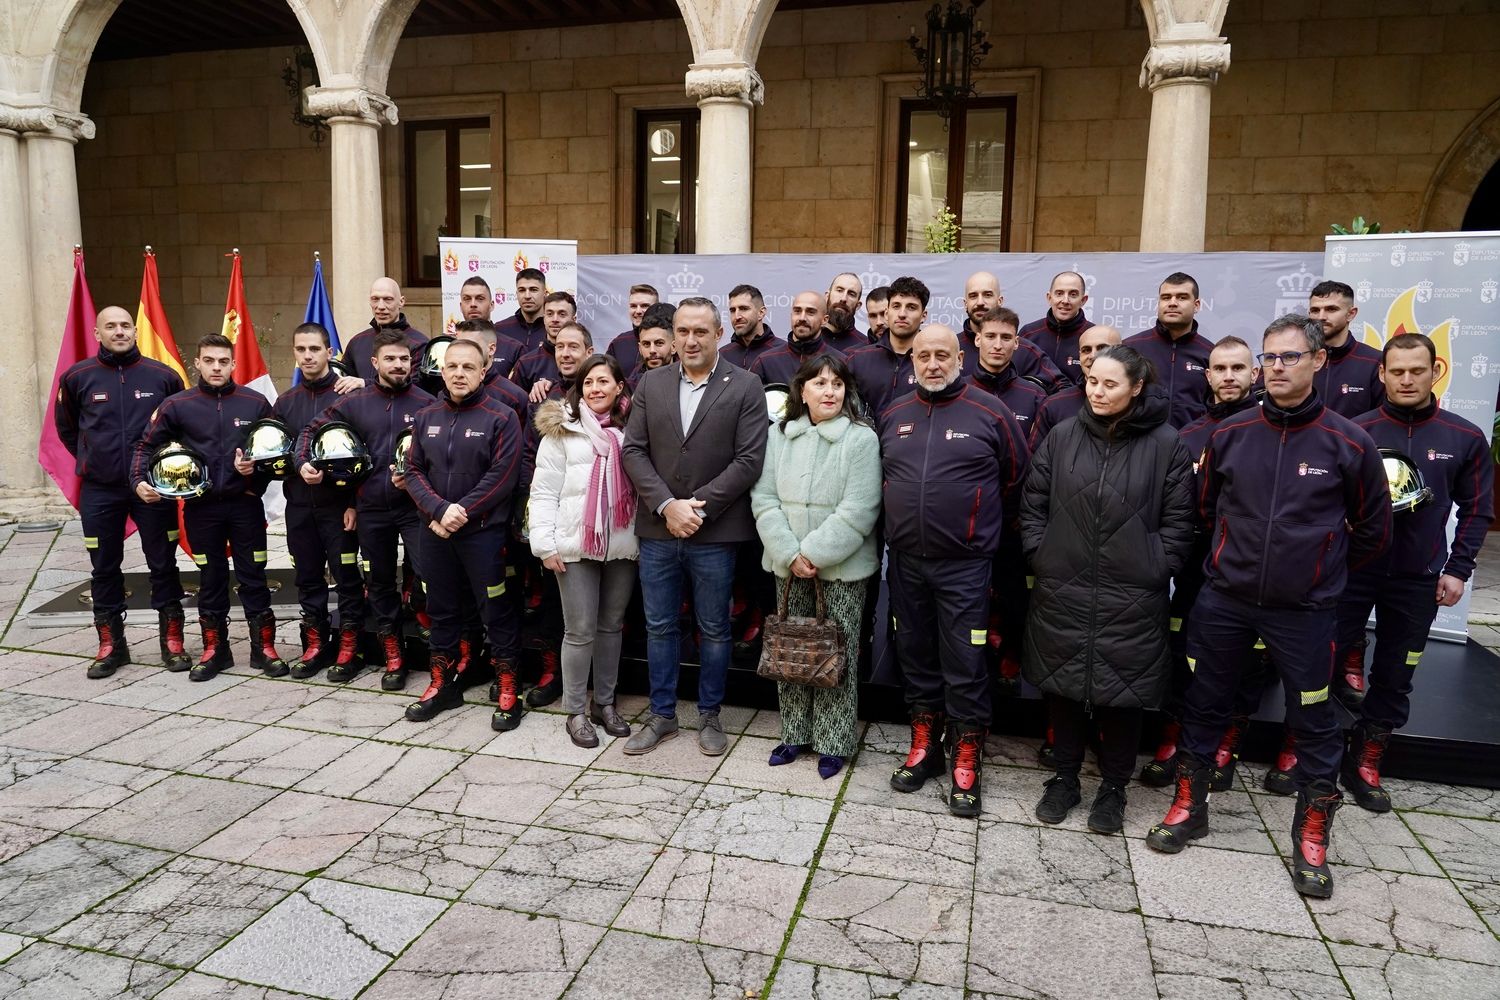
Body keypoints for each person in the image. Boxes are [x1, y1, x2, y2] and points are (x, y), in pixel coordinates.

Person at [1147, 315, 1390, 901]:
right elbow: (1206, 513)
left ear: (1317, 361)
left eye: (1290, 357)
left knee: (1315, 721)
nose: (1278, 367)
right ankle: (1189, 806)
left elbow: (1372, 531)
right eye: (1270, 357)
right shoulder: (1230, 435)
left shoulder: (1349, 443)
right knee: (1203, 705)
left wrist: (1315, 569)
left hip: (1304, 611)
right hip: (1224, 602)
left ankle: (1311, 836)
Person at [1023, 345, 1196, 834]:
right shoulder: (1061, 436)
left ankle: (1114, 788)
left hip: (1132, 592)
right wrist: (1043, 554)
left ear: (1136, 386)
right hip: (1063, 585)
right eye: (1092, 382)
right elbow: (1033, 503)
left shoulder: (1167, 444)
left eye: (1110, 384)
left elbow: (1181, 522)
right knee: (1064, 687)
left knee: (1122, 695)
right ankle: (1064, 778)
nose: (1097, 392)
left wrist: (1155, 565)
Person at [1337, 332, 1491, 810]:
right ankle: (1313, 750)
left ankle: (1366, 756)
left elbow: (1477, 509)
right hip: (1352, 571)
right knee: (1322, 659)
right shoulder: (1355, 430)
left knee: (1397, 671)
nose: (1406, 379)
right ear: (1381, 374)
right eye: (1397, 371)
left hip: (1417, 576)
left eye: (1416, 371)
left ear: (1435, 371)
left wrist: (1457, 568)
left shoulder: (1464, 437)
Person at [881, 325, 1028, 817]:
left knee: (965, 662)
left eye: (942, 355)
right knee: (915, 655)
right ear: (913, 361)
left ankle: (967, 757)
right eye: (924, 356)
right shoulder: (895, 413)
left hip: (966, 566)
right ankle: (926, 747)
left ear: (960, 358)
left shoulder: (991, 411)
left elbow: (1016, 478)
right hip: (905, 562)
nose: (933, 364)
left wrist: (974, 528)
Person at [620, 297, 769, 756]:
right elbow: (633, 451)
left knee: (715, 628)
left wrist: (696, 509)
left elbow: (749, 460)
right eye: (682, 331)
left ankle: (709, 716)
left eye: (700, 331)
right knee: (660, 626)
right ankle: (662, 715)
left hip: (714, 532)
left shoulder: (745, 385)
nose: (690, 340)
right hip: (659, 528)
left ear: (719, 334)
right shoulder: (651, 382)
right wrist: (667, 505)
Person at [1141, 336, 1264, 790]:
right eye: (1220, 368)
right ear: (1207, 375)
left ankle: (1226, 743)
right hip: (1194, 568)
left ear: (1255, 375)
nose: (1228, 376)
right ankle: (1175, 737)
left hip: (1248, 571)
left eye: (1238, 368)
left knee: (1245, 663)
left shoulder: (1270, 432)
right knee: (1181, 653)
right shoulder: (1187, 436)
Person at [751, 355, 881, 779]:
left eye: (837, 384)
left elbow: (860, 508)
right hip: (787, 565)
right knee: (791, 649)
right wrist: (790, 553)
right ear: (801, 391)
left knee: (833, 655)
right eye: (820, 383)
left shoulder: (860, 439)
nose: (830, 391)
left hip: (838, 568)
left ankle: (833, 741)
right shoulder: (779, 436)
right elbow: (764, 498)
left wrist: (815, 554)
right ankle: (793, 734)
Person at [132, 334, 282, 682]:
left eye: (223, 361)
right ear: (196, 363)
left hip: (244, 506)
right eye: (209, 361)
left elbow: (275, 454)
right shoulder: (177, 405)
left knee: (254, 577)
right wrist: (140, 480)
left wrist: (254, 472)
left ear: (233, 365)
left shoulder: (255, 403)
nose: (216, 367)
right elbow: (144, 445)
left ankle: (264, 649)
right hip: (200, 508)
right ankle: (216, 650)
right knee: (210, 579)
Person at [55, 305, 188, 679]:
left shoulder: (163, 377)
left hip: (152, 488)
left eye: (125, 325)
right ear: (97, 333)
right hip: (101, 490)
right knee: (104, 567)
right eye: (110, 326)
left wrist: (157, 473)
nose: (119, 331)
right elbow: (67, 430)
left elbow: (179, 429)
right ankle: (112, 644)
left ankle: (172, 641)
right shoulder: (77, 377)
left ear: (135, 331)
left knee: (162, 562)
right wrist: (94, 459)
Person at [301, 329, 434, 690]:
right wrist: (304, 465)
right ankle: (394, 655)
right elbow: (311, 433)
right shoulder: (353, 403)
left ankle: (437, 648)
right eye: (390, 358)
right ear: (375, 363)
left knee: (429, 575)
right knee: (378, 582)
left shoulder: (426, 404)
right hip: (370, 509)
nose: (398, 365)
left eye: (404, 359)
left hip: (415, 509)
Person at [403, 338, 524, 727]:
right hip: (435, 533)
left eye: (467, 367)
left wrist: (461, 511)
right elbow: (413, 471)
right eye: (452, 366)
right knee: (440, 610)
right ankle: (443, 684)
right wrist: (439, 510)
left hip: (483, 535)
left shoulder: (502, 416)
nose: (458, 374)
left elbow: (502, 477)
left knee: (496, 610)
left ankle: (508, 688)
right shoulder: (426, 416)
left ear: (483, 370)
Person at [529, 354, 640, 748]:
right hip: (573, 546)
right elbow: (542, 492)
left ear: (619, 387)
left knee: (611, 627)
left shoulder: (633, 431)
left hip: (622, 544)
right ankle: (575, 710)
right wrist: (544, 545)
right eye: (589, 382)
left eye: (604, 382)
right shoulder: (563, 431)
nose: (596, 389)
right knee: (578, 631)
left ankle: (604, 704)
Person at [275, 322, 364, 682]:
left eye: (315, 349)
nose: (308, 356)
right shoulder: (285, 402)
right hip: (298, 506)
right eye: (301, 350)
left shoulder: (350, 396)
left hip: (339, 507)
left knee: (346, 577)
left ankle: (350, 646)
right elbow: (275, 454)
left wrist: (355, 503)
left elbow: (366, 453)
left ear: (330, 352)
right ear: (295, 354)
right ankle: (314, 643)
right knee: (307, 576)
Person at [1124, 272, 1213, 429]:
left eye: (1182, 297)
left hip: (1191, 446)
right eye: (1166, 297)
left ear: (1196, 305)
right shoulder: (1131, 347)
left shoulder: (1211, 353)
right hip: (1139, 445)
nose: (1172, 303)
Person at [959, 271, 1064, 387]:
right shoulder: (952, 348)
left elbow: (1062, 388)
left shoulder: (1025, 351)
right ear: (965, 303)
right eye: (973, 296)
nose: (980, 302)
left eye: (987, 295)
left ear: (1000, 301)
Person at [1029, 325, 1123, 448]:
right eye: (1086, 350)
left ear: (1121, 351)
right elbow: (1036, 460)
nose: (1093, 356)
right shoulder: (1054, 405)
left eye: (1102, 348)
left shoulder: (1137, 403)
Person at [846, 275, 923, 417]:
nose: (902, 314)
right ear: (888, 313)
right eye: (896, 306)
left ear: (923, 315)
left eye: (911, 307)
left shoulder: (933, 361)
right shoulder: (857, 360)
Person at [1307, 279, 1385, 418]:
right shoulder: (1295, 359)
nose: (1321, 317)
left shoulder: (1375, 362)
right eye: (1315, 310)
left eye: (1331, 309)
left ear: (1351, 314)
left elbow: (1383, 420)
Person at [968, 307, 1047, 427]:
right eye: (990, 336)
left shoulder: (1035, 396)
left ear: (1016, 343)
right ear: (978, 339)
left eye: (1006, 338)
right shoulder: (960, 390)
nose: (998, 345)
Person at [340, 278, 427, 382]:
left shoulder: (419, 343)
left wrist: (365, 384)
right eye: (375, 299)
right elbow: (342, 382)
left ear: (401, 302)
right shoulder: (357, 341)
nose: (380, 306)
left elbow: (415, 388)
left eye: (388, 299)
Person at [750, 292, 845, 385]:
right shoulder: (765, 362)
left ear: (824, 320)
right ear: (791, 315)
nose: (802, 318)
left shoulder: (841, 362)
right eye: (797, 311)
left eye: (810, 312)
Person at [1021, 271, 1094, 381]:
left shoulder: (1094, 336)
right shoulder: (1028, 333)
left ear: (1083, 300)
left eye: (1073, 294)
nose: (1065, 300)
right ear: (1049, 298)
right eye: (1059, 293)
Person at [511, 291, 577, 394]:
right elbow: (516, 404)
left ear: (574, 320)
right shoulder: (526, 363)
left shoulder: (585, 361)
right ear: (544, 318)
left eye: (562, 314)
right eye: (550, 314)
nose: (555, 319)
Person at [456, 276, 525, 372]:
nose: (473, 304)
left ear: (491, 305)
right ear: (460, 306)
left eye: (480, 298)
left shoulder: (513, 348)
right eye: (467, 299)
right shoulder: (448, 345)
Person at [721, 284, 783, 370]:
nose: (737, 316)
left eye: (743, 309)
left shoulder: (782, 352)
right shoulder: (722, 355)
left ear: (761, 313)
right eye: (732, 310)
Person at [605, 283, 659, 374]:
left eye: (644, 306)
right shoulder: (619, 342)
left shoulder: (670, 342)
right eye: (633, 306)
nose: (638, 311)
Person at [495, 267, 548, 352]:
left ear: (545, 293)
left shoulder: (554, 328)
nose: (527, 296)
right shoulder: (500, 329)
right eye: (522, 290)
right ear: (517, 294)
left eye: (533, 290)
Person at [629, 303, 676, 390]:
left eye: (659, 343)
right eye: (646, 344)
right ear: (639, 348)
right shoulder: (632, 385)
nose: (652, 350)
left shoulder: (688, 378)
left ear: (674, 346)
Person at [822, 272, 867, 354]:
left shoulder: (866, 349)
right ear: (827, 296)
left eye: (851, 294)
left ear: (858, 305)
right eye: (839, 290)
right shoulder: (809, 339)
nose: (843, 298)